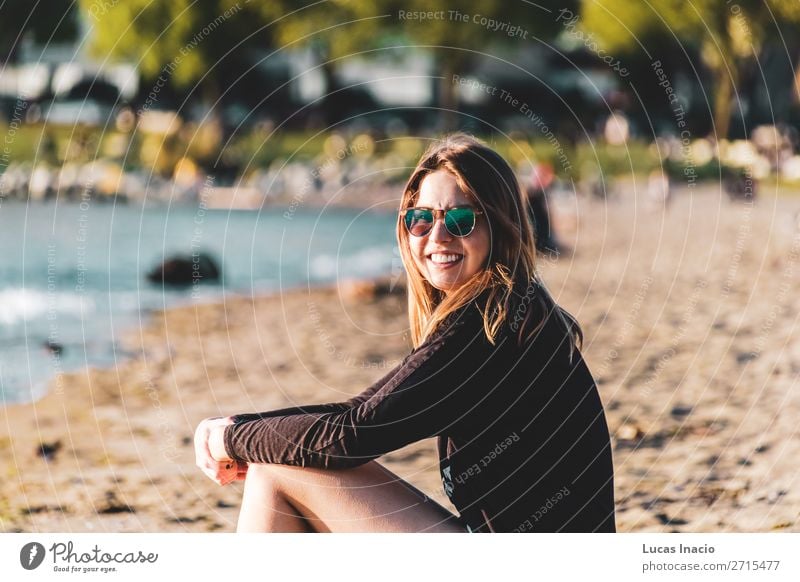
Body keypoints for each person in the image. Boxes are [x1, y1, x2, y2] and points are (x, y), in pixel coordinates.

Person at [194, 133, 616, 533]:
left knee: (275, 471)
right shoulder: (508, 308)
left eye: (461, 219)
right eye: (420, 219)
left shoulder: (489, 325)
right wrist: (240, 429)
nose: (437, 236)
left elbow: (350, 434)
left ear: (500, 227)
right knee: (280, 461)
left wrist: (229, 438)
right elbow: (359, 413)